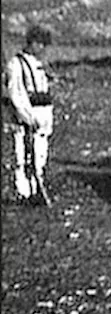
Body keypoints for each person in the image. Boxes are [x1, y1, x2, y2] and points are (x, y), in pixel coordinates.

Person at [4, 25, 55, 206]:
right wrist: (27, 117)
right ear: (33, 42)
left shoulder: (38, 64)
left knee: (40, 155)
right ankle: (24, 193)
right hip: (28, 117)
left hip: (43, 116)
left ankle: (37, 188)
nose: (42, 49)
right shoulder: (16, 64)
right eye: (40, 44)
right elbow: (16, 94)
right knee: (24, 156)